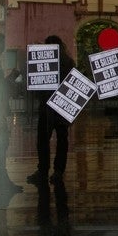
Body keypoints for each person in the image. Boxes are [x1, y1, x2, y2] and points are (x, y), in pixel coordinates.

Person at [29, 35, 76, 186]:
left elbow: (36, 86)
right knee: (62, 139)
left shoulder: (44, 60)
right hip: (62, 105)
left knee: (43, 139)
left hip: (46, 106)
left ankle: (43, 169)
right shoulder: (68, 62)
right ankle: (58, 171)